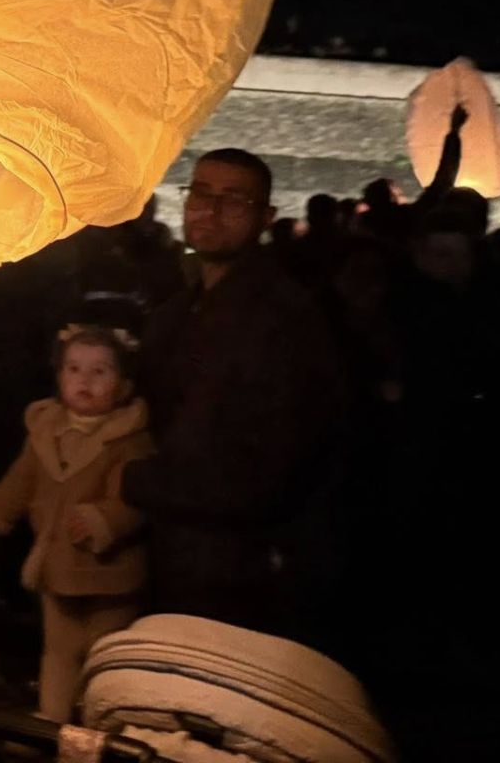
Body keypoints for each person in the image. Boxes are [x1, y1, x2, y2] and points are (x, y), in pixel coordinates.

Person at [121, 147, 350, 655]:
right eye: (201, 193)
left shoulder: (285, 319)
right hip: (172, 542)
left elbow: (275, 462)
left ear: (265, 217)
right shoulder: (176, 310)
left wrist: (132, 480)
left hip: (236, 562)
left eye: (234, 199)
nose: (211, 208)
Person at [0, 325, 155, 722]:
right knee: (57, 652)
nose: (83, 380)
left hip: (109, 577)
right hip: (56, 569)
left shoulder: (128, 439)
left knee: (104, 656)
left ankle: (96, 725)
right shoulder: (45, 429)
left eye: (99, 371)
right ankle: (52, 719)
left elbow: (136, 497)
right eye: (73, 369)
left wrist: (104, 518)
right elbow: (23, 479)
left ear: (123, 385)